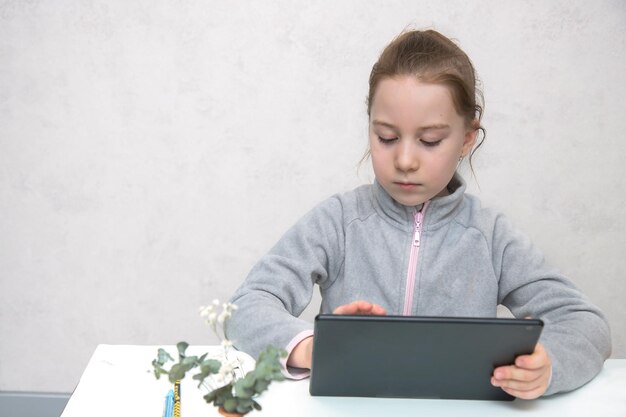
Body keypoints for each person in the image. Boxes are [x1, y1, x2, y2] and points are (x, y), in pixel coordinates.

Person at [226, 29, 611, 399]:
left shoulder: (491, 235)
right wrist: (313, 347)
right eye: (387, 137)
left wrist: (549, 365)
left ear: (465, 139)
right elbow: (246, 305)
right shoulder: (338, 221)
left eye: (429, 140)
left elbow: (587, 325)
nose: (405, 160)